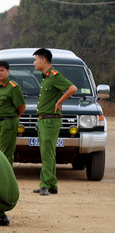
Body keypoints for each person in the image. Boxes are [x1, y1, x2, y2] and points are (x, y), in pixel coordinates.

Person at [31, 48, 77, 195]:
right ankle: (52, 184)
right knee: (47, 153)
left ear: (43, 60)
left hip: (51, 120)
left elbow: (72, 88)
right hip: (44, 120)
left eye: (36, 60)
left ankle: (45, 184)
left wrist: (59, 101)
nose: (34, 63)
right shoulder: (46, 77)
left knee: (47, 152)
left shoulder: (54, 76)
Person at [0, 60, 26, 164]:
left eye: (2, 70)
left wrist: (17, 116)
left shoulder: (13, 87)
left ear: (7, 72)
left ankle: (6, 179)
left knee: (5, 154)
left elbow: (21, 106)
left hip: (7, 123)